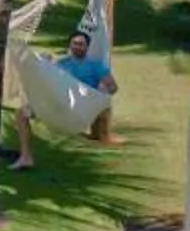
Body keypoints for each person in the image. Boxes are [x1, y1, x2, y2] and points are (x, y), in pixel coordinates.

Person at [11, 22, 118, 169]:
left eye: (82, 44)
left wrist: (98, 93)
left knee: (106, 104)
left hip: (80, 107)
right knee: (21, 113)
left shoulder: (96, 65)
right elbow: (47, 80)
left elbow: (113, 87)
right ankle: (26, 157)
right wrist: (43, 62)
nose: (78, 46)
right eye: (75, 43)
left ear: (87, 47)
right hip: (58, 105)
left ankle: (101, 136)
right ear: (70, 46)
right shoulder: (61, 64)